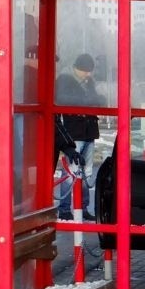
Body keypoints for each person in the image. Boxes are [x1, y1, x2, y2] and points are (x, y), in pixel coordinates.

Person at [55, 53, 106, 221]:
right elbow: (61, 99)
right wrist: (86, 100)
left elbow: (96, 99)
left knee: (86, 172)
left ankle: (83, 207)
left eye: (90, 71)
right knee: (71, 171)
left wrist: (97, 99)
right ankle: (64, 210)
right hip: (74, 131)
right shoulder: (64, 79)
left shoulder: (89, 82)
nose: (88, 74)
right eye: (86, 71)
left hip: (89, 131)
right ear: (77, 68)